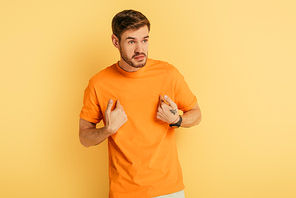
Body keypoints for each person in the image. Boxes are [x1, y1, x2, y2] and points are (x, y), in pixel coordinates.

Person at [79, 9, 202, 198]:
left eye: (144, 40)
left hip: (169, 190)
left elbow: (196, 113)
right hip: (124, 192)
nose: (140, 49)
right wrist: (107, 130)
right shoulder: (99, 84)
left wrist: (176, 120)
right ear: (115, 41)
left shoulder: (168, 74)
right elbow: (84, 138)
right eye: (131, 41)